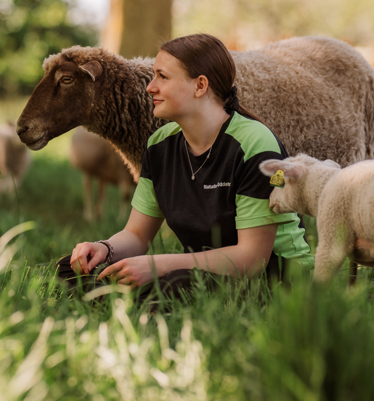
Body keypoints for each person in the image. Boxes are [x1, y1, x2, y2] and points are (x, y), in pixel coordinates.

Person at [59, 33, 314, 302]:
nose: (150, 87)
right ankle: (136, 301)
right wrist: (104, 249)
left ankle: (140, 305)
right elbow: (136, 235)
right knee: (71, 270)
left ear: (200, 85)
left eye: (162, 77)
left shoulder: (255, 144)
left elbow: (251, 259)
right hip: (199, 271)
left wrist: (157, 266)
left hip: (273, 277)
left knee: (175, 284)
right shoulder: (159, 144)